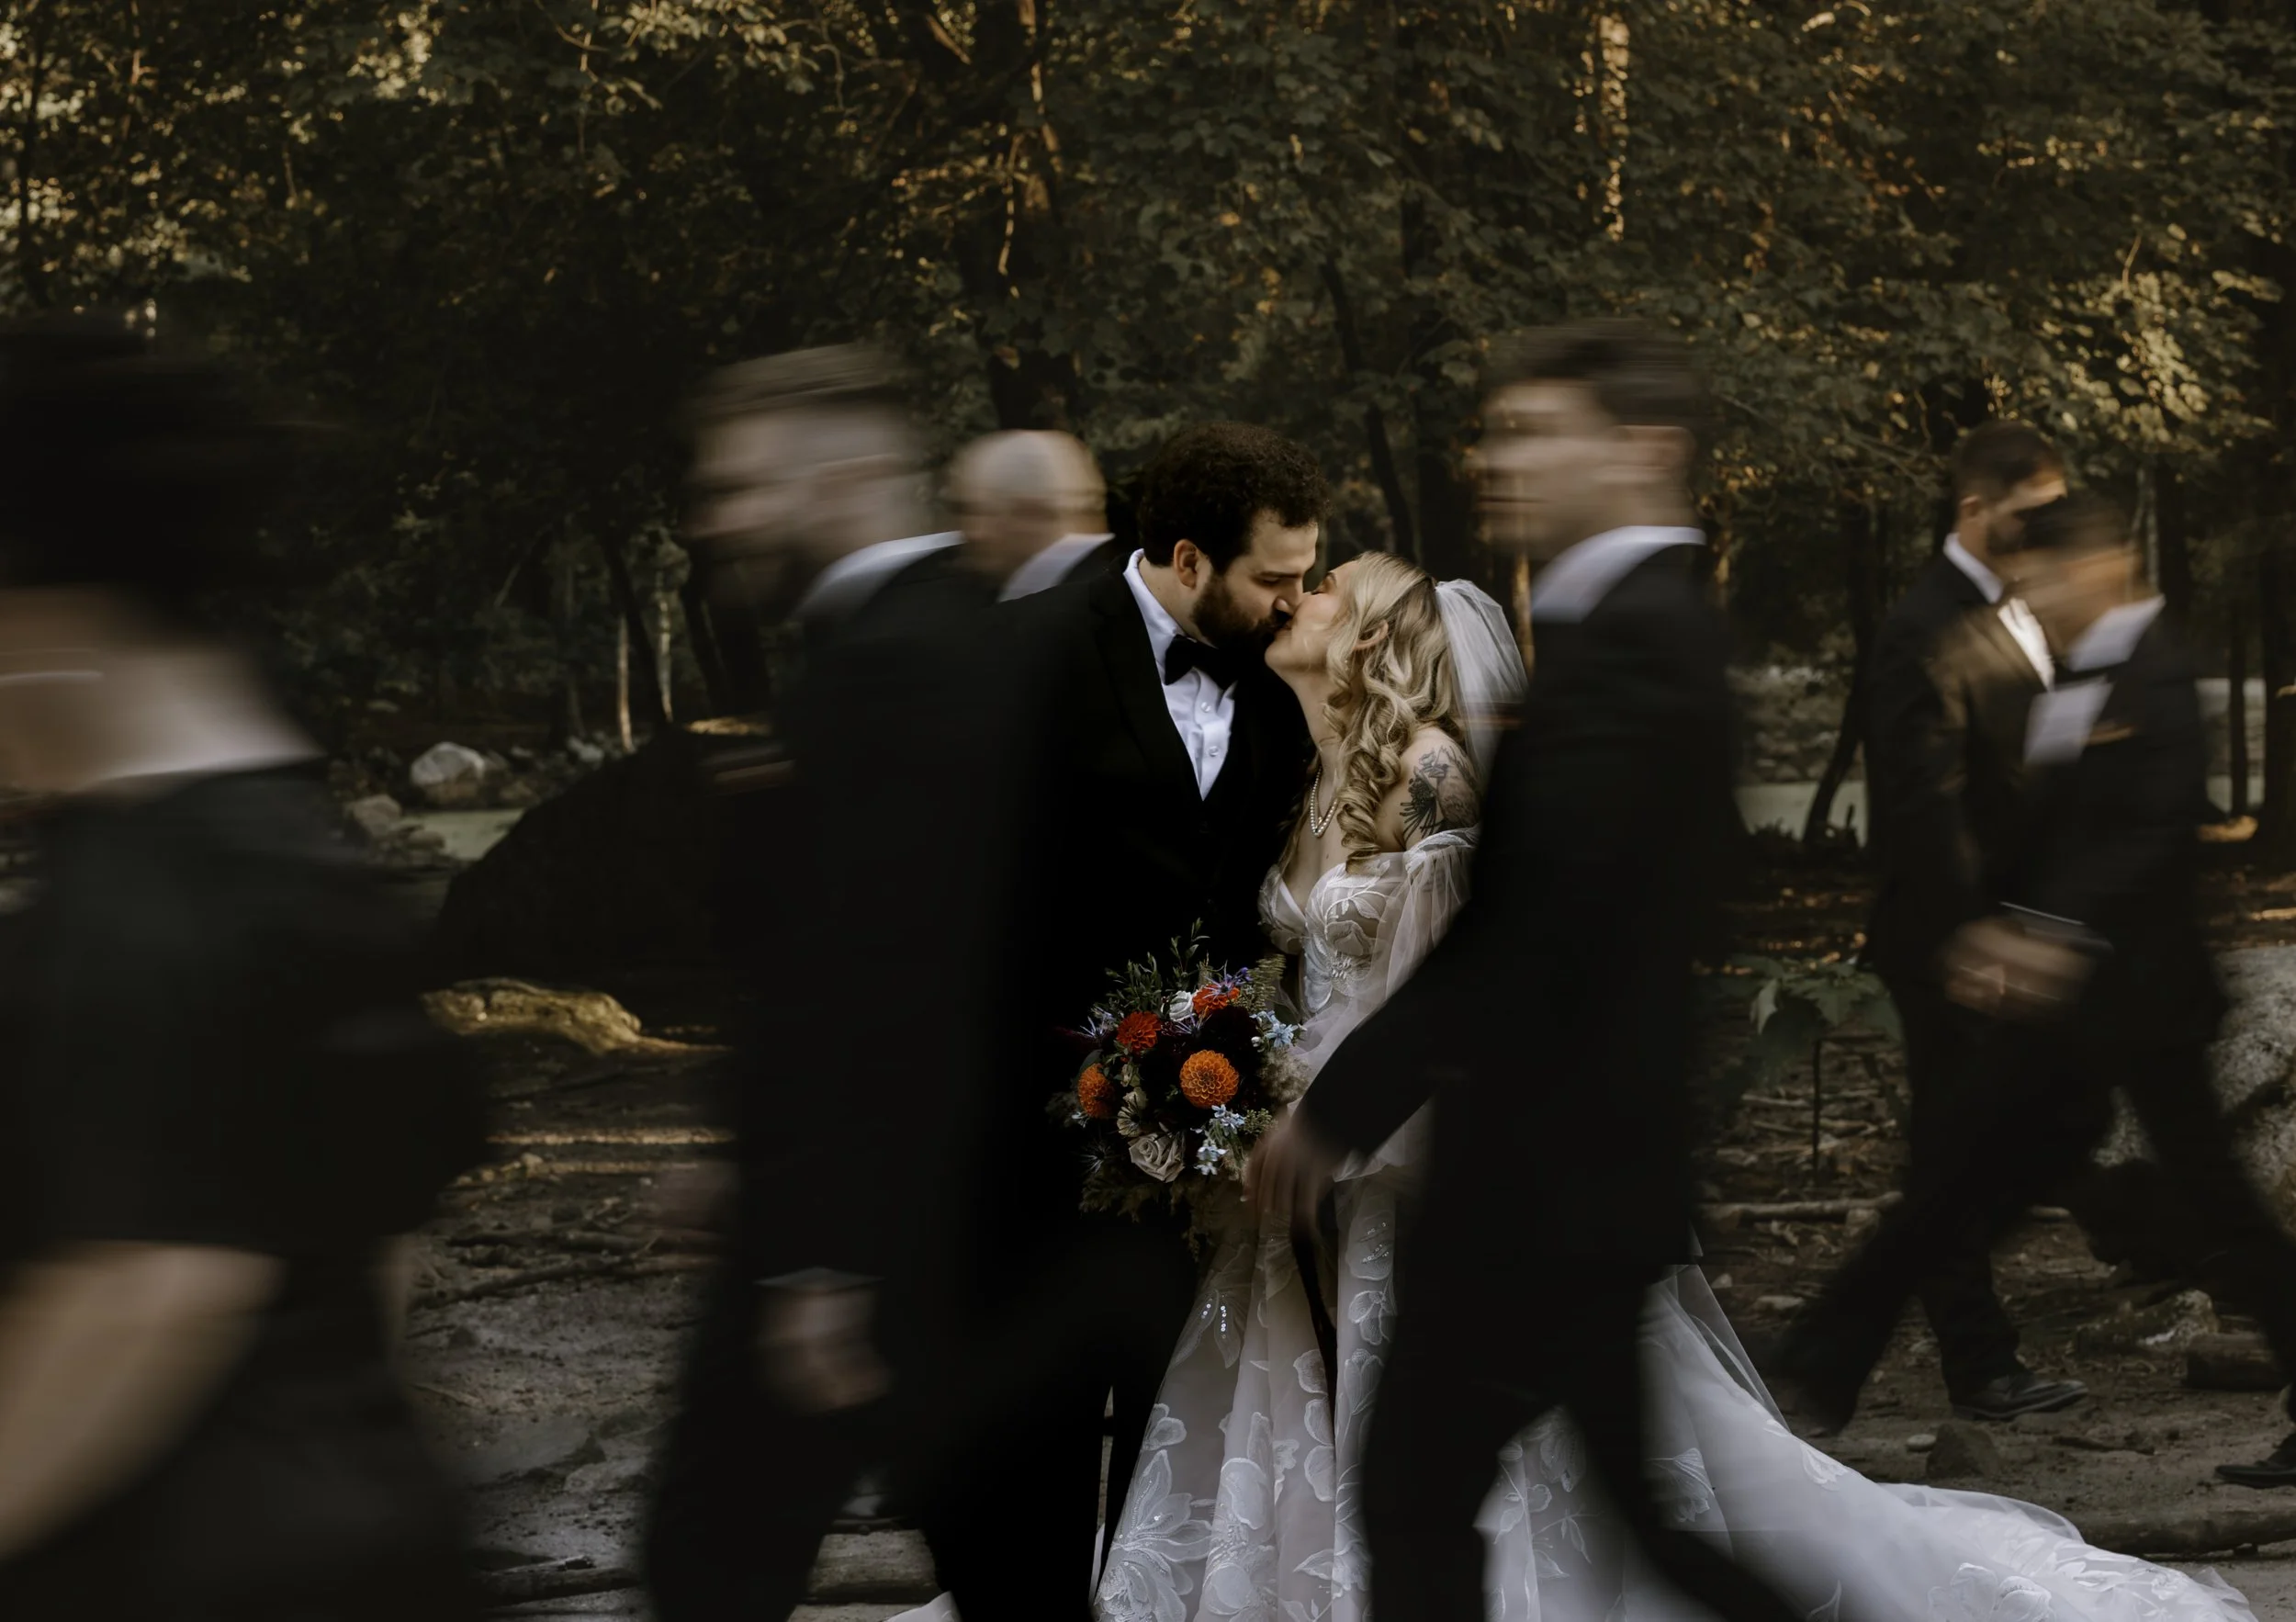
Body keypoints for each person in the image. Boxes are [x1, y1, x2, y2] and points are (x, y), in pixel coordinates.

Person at [1241, 328, 2259, 1622]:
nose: (1501, 458)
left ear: (1638, 450)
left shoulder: (1641, 640)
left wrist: (1339, 1108)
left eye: (1536, 432)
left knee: (1429, 1500)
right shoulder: (1622, 623)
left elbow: (1534, 932)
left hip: (1547, 1176)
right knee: (1596, 1519)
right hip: (1573, 1176)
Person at [0, 320, 487, 1619]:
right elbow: (381, 1236)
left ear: (37, 607)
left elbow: (150, 1292)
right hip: (364, 1521)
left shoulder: (152, 897)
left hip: (196, 1561)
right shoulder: (295, 837)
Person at [1784, 491, 2296, 1497]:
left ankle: (1815, 1365)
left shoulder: (2157, 671)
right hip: (2066, 1011)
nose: (2036, 601)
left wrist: (2045, 932)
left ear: (2100, 565)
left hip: (2144, 1004)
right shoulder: (2076, 674)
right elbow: (2042, 829)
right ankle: (1818, 1364)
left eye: (2046, 582)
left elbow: (2150, 835)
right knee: (1960, 1178)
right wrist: (1992, 920)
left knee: (2212, 1209)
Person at [911, 423, 1323, 1619]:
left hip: (1209, 1163)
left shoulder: (1290, 675)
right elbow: (955, 907)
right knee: (1031, 1465)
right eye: (1275, 576)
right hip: (1033, 1156)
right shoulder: (1022, 654)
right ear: (1188, 558)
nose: (1296, 600)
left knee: (1178, 1461)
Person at [644, 345, 997, 1621]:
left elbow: (872, 984)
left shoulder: (885, 673)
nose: (714, 519)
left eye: (741, 487)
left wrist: (816, 1261)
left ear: (842, 479)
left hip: (868, 1226)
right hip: (938, 1215)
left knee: (706, 1561)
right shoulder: (962, 631)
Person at [1863, 422, 2087, 1424]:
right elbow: (1924, 802)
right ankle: (1977, 1363)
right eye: (2029, 511)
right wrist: (1973, 939)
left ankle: (1869, 1324)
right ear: (1973, 508)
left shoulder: (2025, 608)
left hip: (2024, 927)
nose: (2046, 526)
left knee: (2023, 1130)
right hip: (1951, 939)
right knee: (1958, 1146)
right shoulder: (1921, 623)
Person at [945, 428, 1119, 599]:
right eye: (964, 512)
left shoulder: (1083, 601)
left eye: (985, 512)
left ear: (1035, 513)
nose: (975, 533)